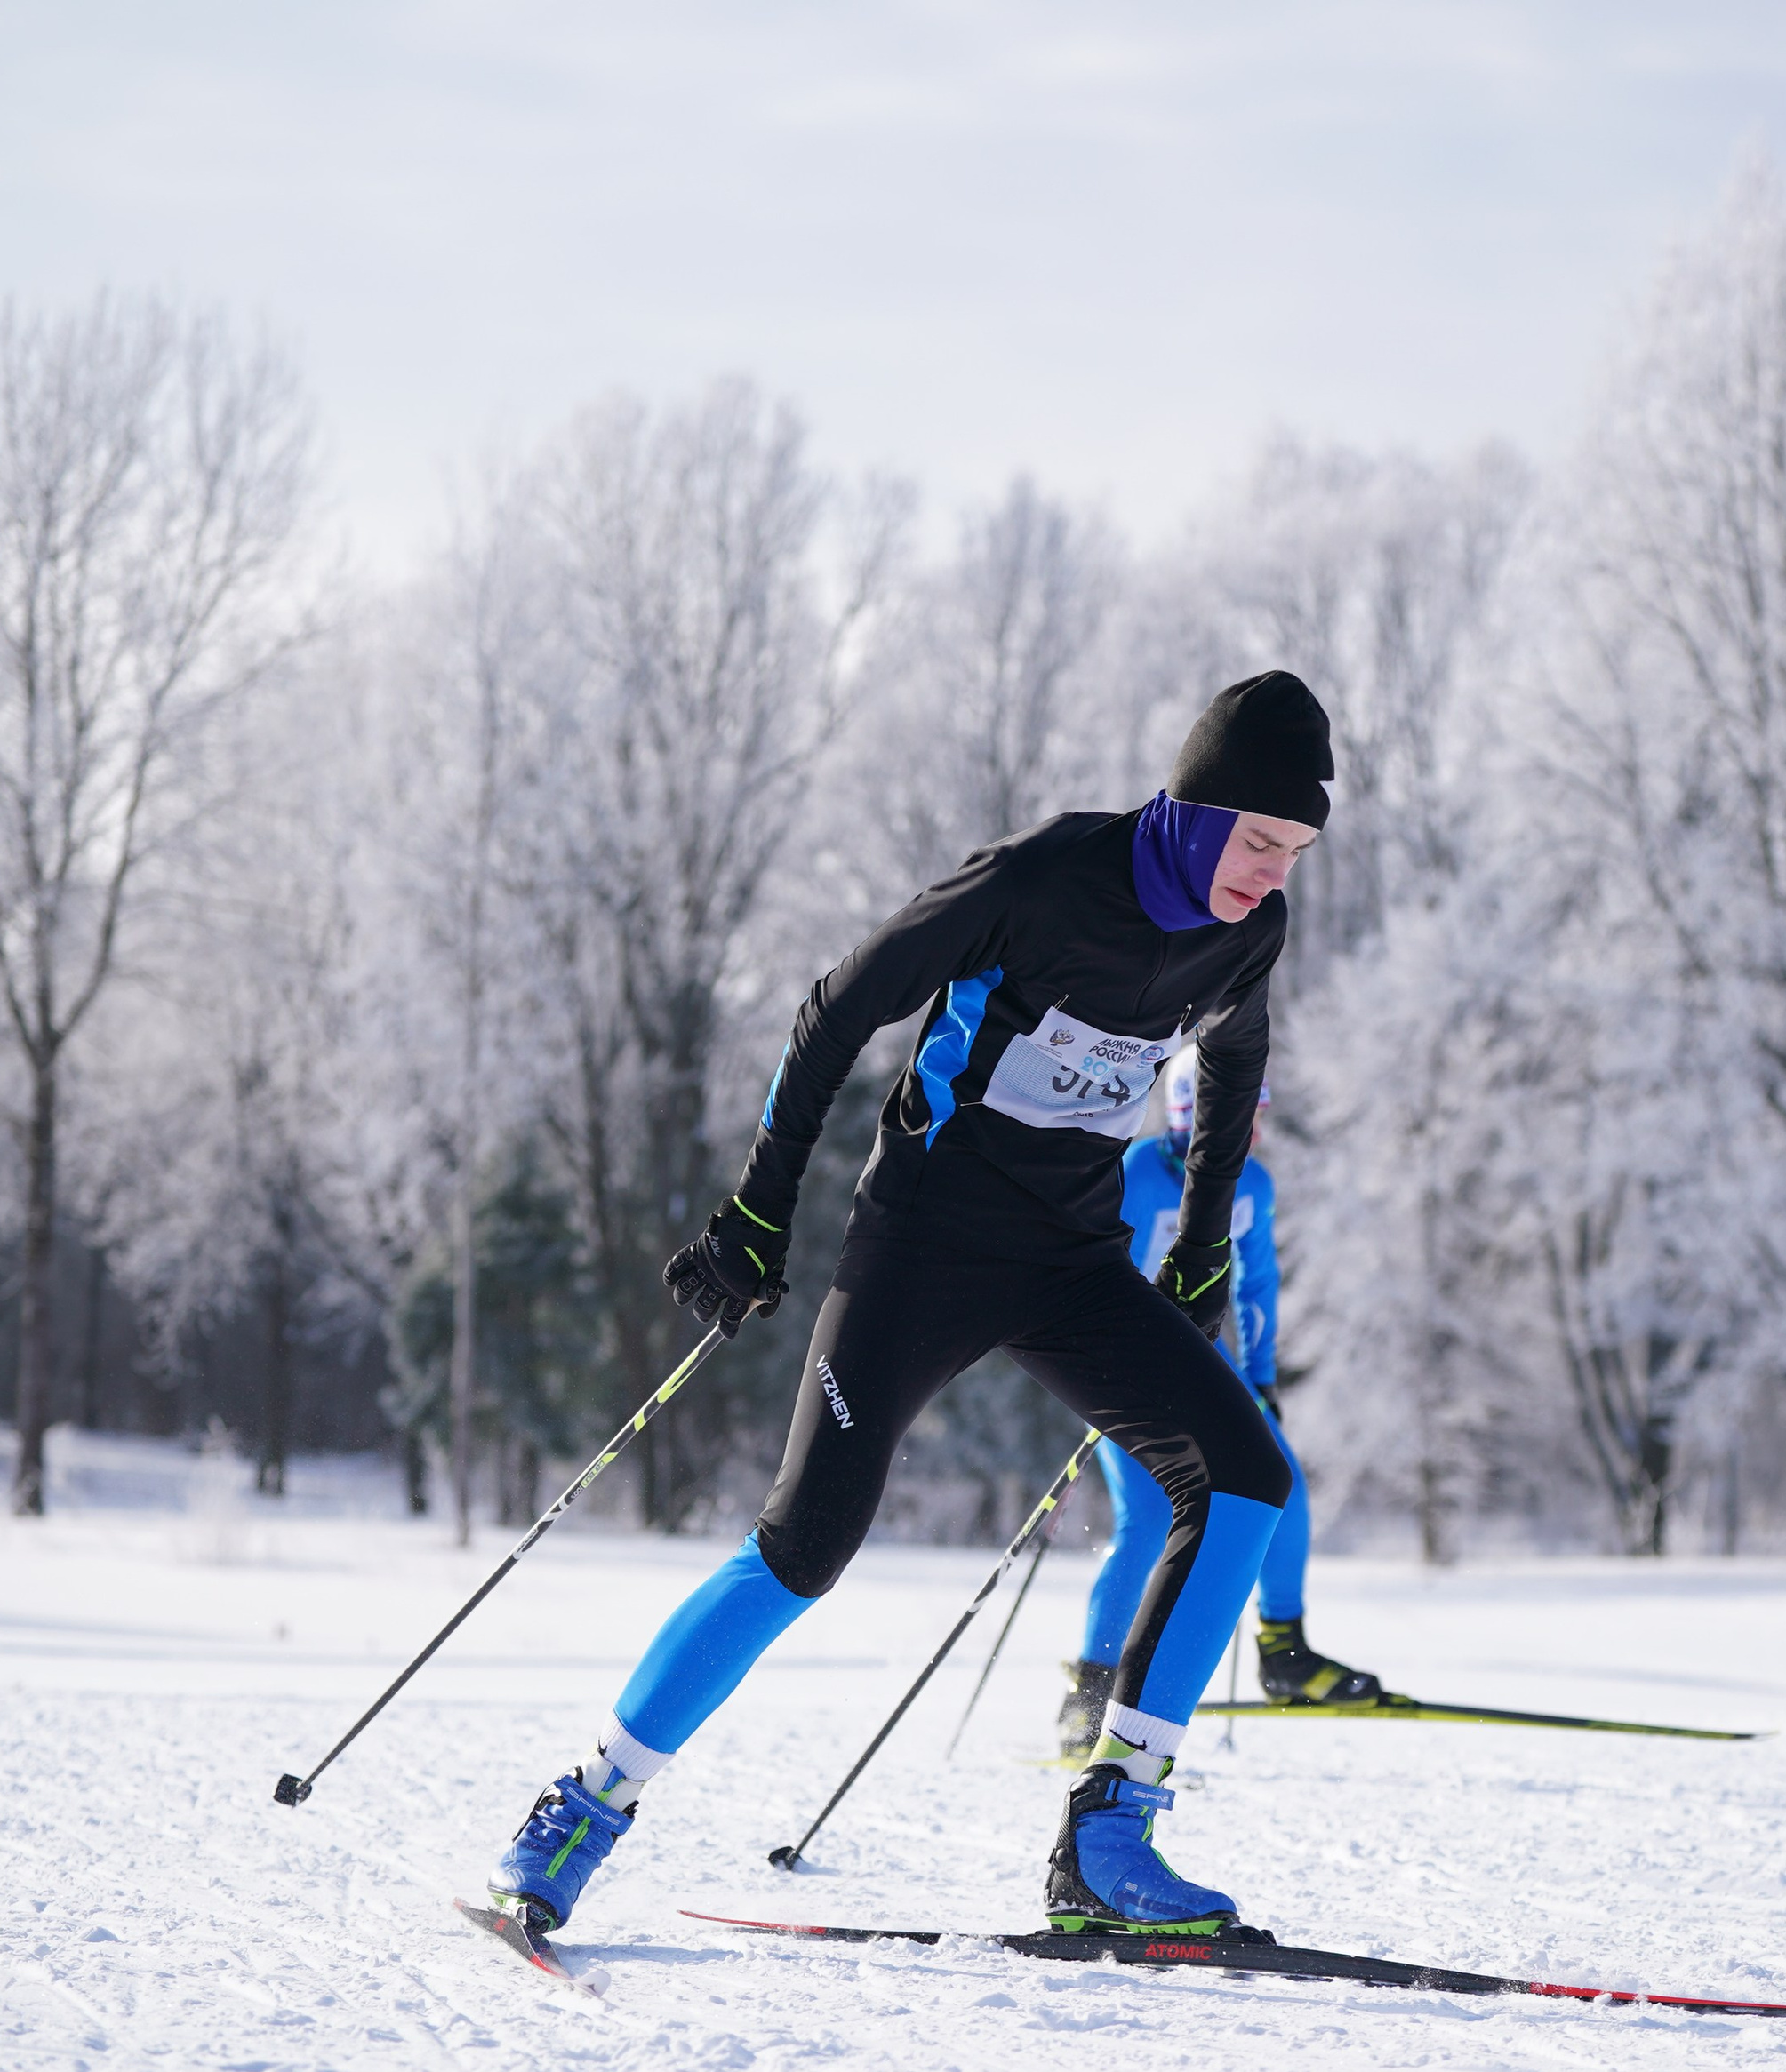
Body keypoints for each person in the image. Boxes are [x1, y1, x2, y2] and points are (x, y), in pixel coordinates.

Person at [485, 670, 1333, 1940]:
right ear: (1196, 810)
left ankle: (1109, 1840)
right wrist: (759, 1208)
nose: (1271, 873)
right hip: (923, 1249)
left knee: (1246, 1479)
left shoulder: (1246, 932)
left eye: (1298, 852)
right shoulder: (1041, 880)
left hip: (1073, 1264)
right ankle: (582, 1807)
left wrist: (1203, 1253)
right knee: (804, 1545)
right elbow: (836, 1006)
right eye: (1259, 840)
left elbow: (1236, 1063)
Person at [1057, 1052, 1381, 1756]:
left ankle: (1284, 1650)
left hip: (1208, 1360)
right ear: (1187, 1111)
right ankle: (1090, 1696)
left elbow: (1257, 1285)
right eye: (1242, 1111)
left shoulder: (1251, 1186)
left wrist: (1260, 1376)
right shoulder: (1135, 1173)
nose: (1253, 1127)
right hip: (1118, 1360)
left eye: (1257, 1112)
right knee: (1146, 1524)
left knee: (1280, 1488)